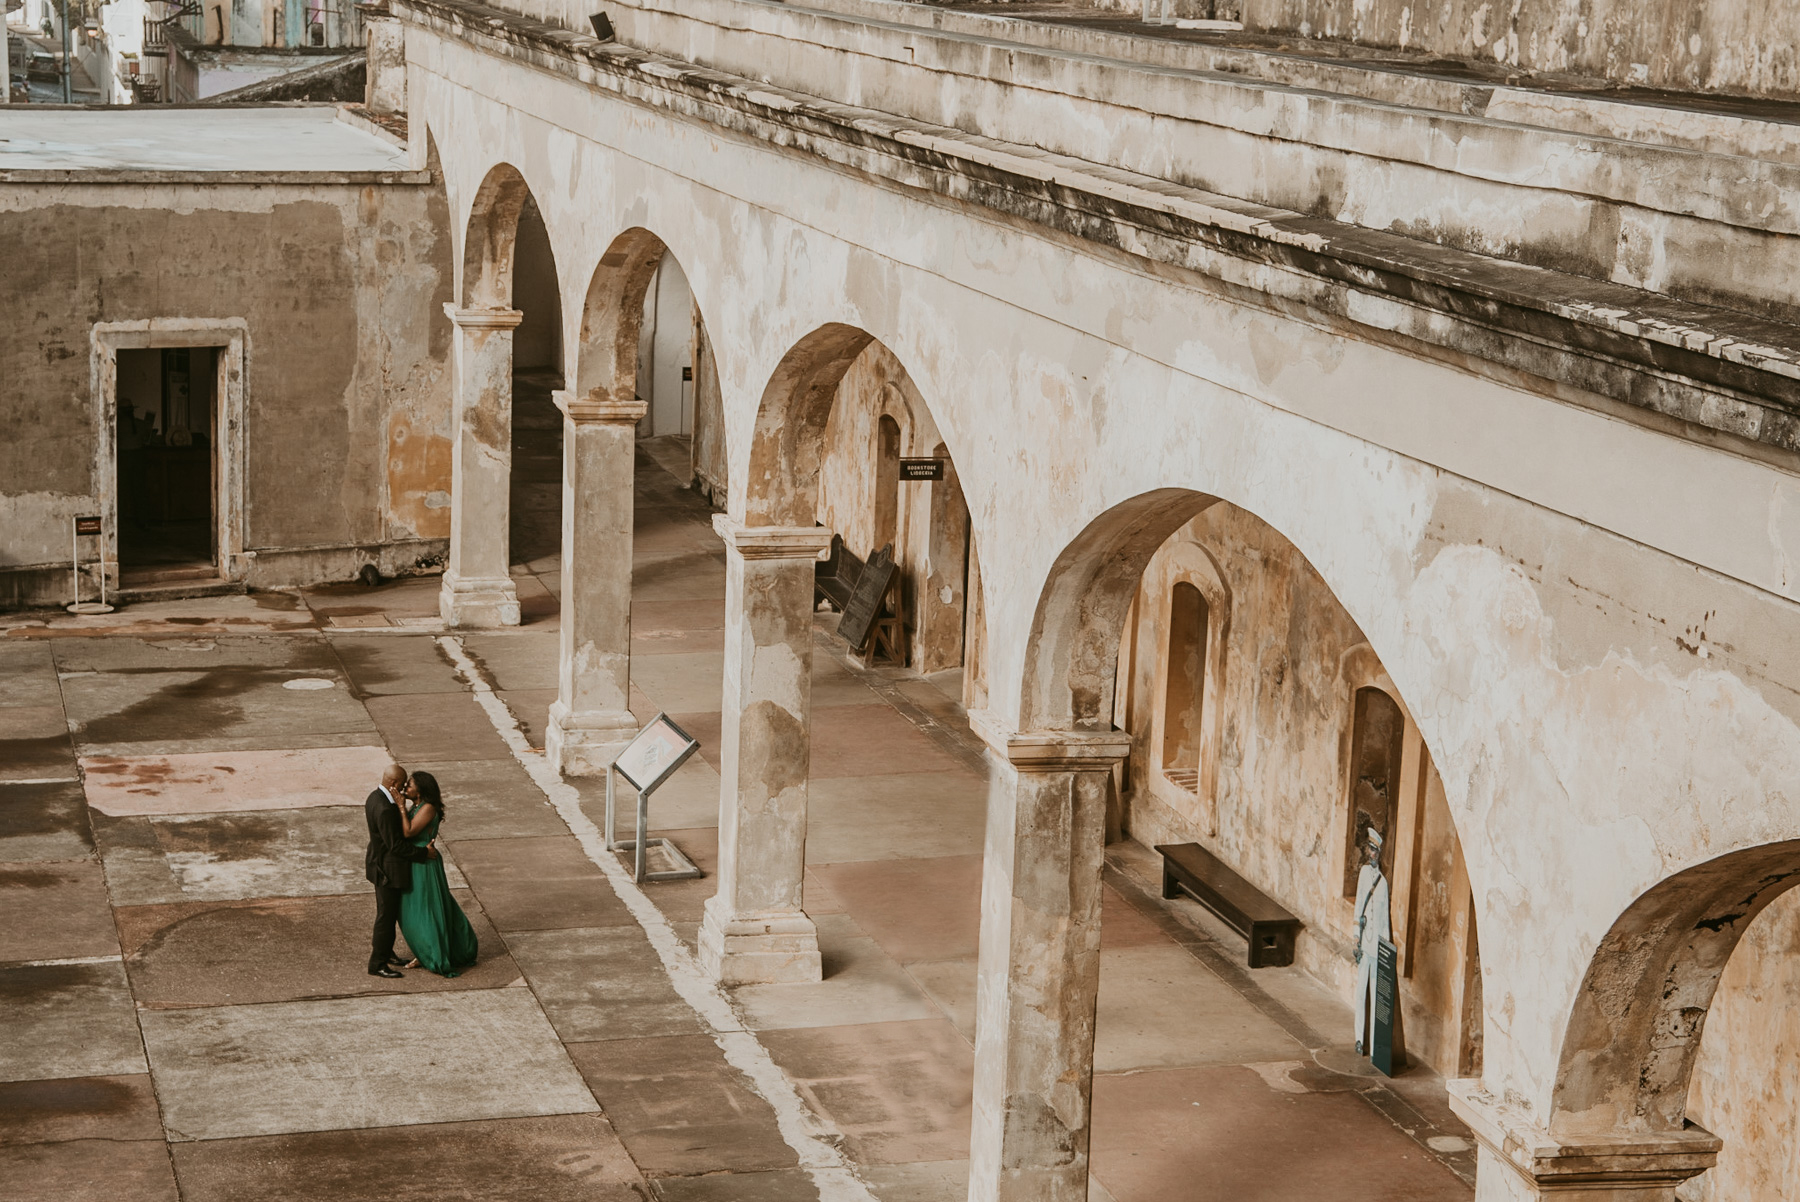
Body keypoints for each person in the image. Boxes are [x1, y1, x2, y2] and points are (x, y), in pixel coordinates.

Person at [395, 771, 479, 977]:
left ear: (421, 790)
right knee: (414, 911)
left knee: (427, 909)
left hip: (424, 862)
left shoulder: (428, 808)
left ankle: (435, 953)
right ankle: (424, 952)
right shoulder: (416, 806)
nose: (406, 788)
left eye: (410, 785)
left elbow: (408, 832)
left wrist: (399, 806)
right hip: (416, 860)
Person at [364, 763, 437, 978]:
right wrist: (424, 853)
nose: (405, 788)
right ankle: (377, 963)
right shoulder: (386, 808)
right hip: (388, 871)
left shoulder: (374, 797)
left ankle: (387, 953)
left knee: (387, 914)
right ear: (394, 784)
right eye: (403, 784)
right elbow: (395, 845)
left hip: (378, 864)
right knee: (386, 918)